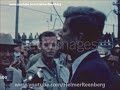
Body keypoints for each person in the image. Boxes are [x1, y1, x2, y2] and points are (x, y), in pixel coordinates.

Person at [59, 6, 114, 90]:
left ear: (79, 37)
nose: (60, 33)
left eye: (64, 30)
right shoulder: (91, 66)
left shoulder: (90, 72)